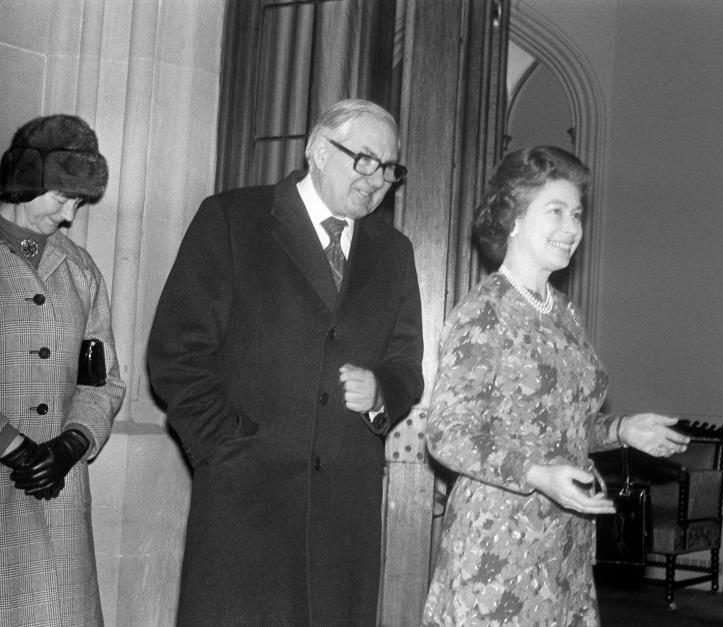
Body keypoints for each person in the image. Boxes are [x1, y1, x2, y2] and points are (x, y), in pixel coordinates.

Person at [147, 99, 424, 625]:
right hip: (245, 504)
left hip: (344, 516)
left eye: (389, 169)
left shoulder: (395, 252)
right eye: (365, 159)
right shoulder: (233, 219)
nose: (378, 179)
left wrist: (383, 391)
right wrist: (224, 447)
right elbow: (176, 350)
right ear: (318, 150)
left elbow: (406, 360)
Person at [421, 146, 691, 626]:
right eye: (556, 212)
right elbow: (447, 433)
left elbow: (562, 425)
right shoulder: (484, 313)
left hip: (563, 543)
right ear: (514, 218)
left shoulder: (563, 312)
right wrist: (535, 474)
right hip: (499, 546)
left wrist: (623, 429)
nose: (573, 228)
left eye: (578, 215)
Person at [0, 114, 125, 625]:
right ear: (26, 180)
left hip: (59, 492)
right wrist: (12, 445)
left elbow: (102, 380)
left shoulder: (81, 269)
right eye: (61, 197)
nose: (70, 215)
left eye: (79, 201)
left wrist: (72, 443)